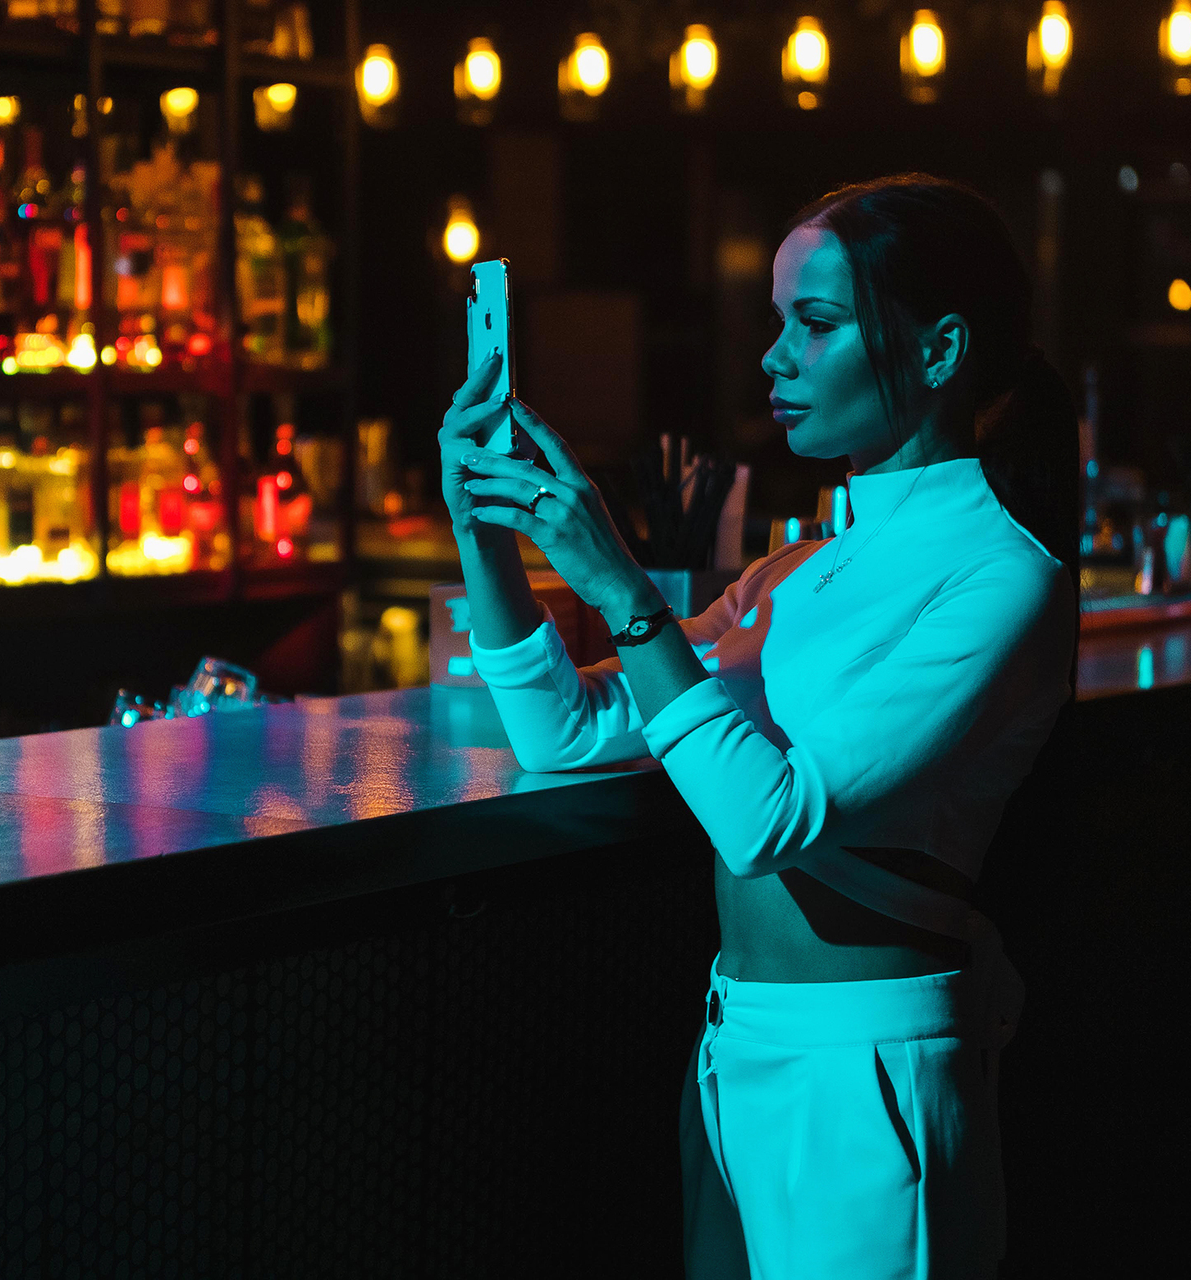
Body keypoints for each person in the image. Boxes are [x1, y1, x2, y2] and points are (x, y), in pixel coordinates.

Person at [442, 173, 1080, 1278]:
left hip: (868, 1059)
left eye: (816, 323)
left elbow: (768, 819)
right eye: (778, 321)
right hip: (734, 1036)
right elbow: (566, 733)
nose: (775, 358)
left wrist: (618, 580)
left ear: (940, 350)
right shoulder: (797, 569)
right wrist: (483, 529)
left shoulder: (1005, 577)